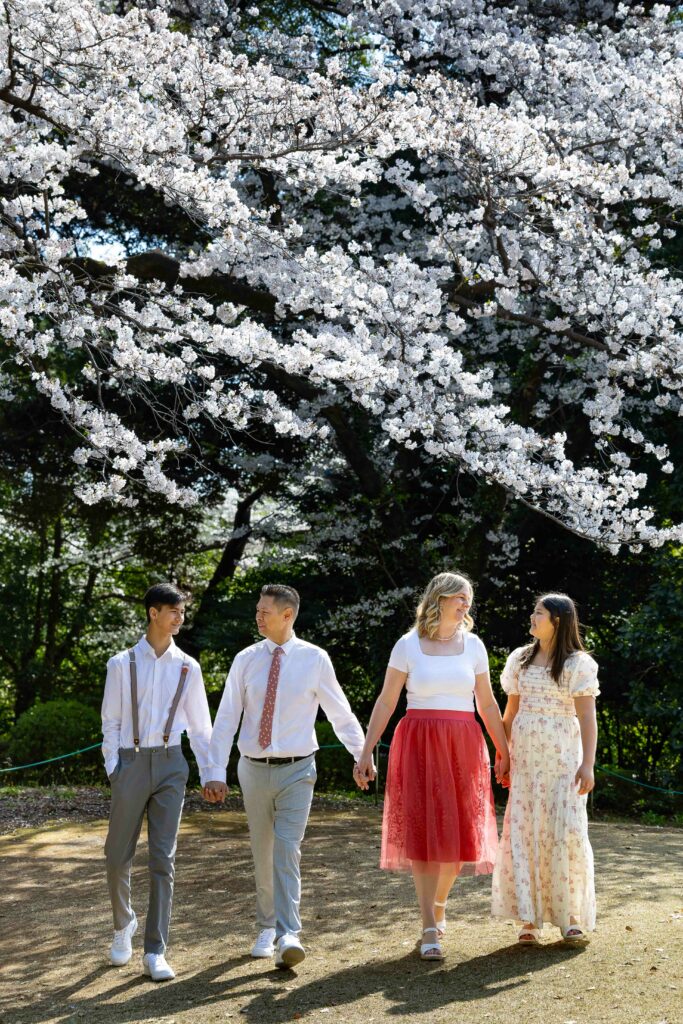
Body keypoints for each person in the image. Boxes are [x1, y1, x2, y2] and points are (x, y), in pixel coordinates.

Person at [203, 584, 370, 968]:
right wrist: (214, 771)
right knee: (263, 849)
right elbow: (227, 717)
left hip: (299, 769)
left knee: (286, 847)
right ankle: (266, 925)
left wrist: (360, 757)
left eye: (265, 611)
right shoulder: (245, 659)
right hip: (253, 769)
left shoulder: (314, 659)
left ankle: (288, 932)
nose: (258, 616)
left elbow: (340, 713)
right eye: (257, 610)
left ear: (287, 615)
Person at [355, 571, 509, 961]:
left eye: (469, 599)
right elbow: (387, 701)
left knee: (461, 838)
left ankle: (439, 904)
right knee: (424, 835)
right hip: (418, 741)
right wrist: (366, 749)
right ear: (439, 598)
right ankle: (428, 926)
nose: (466, 604)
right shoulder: (408, 644)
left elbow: (488, 704)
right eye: (460, 596)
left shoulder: (474, 645)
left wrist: (503, 748)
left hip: (463, 743)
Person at [101, 582, 213, 981]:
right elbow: (111, 722)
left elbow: (201, 727)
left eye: (182, 612)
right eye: (174, 611)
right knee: (116, 857)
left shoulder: (188, 667)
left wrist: (211, 772)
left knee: (163, 860)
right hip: (130, 763)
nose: (180, 618)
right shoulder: (121, 664)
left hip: (170, 764)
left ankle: (155, 950)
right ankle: (122, 925)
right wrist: (114, 767)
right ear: (153, 613)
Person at [491, 593, 599, 943]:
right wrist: (502, 753)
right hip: (526, 760)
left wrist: (588, 764)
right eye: (534, 611)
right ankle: (529, 920)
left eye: (539, 613)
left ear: (558, 620)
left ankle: (570, 915)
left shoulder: (578, 664)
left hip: (563, 759)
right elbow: (509, 713)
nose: (532, 617)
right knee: (525, 832)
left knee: (565, 830)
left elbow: (586, 716)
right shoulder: (520, 659)